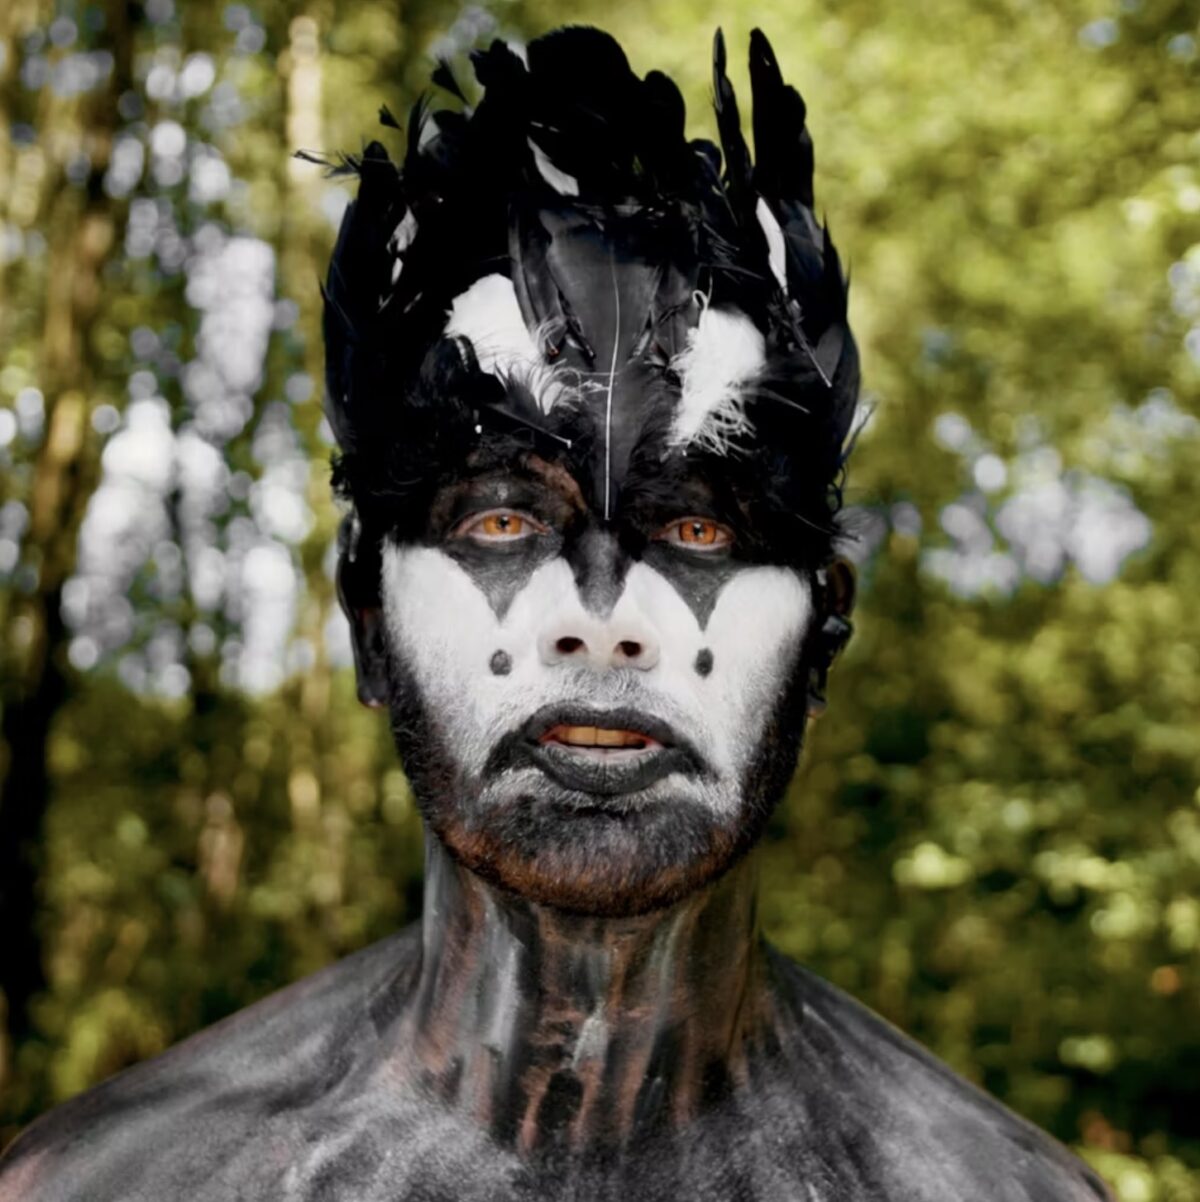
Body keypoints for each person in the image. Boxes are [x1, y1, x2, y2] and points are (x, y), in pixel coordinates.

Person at [0, 26, 1112, 1201]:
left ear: (823, 626)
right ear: (369, 615)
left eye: (697, 529)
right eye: (501, 521)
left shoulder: (998, 1190)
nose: (600, 619)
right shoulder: (115, 1184)